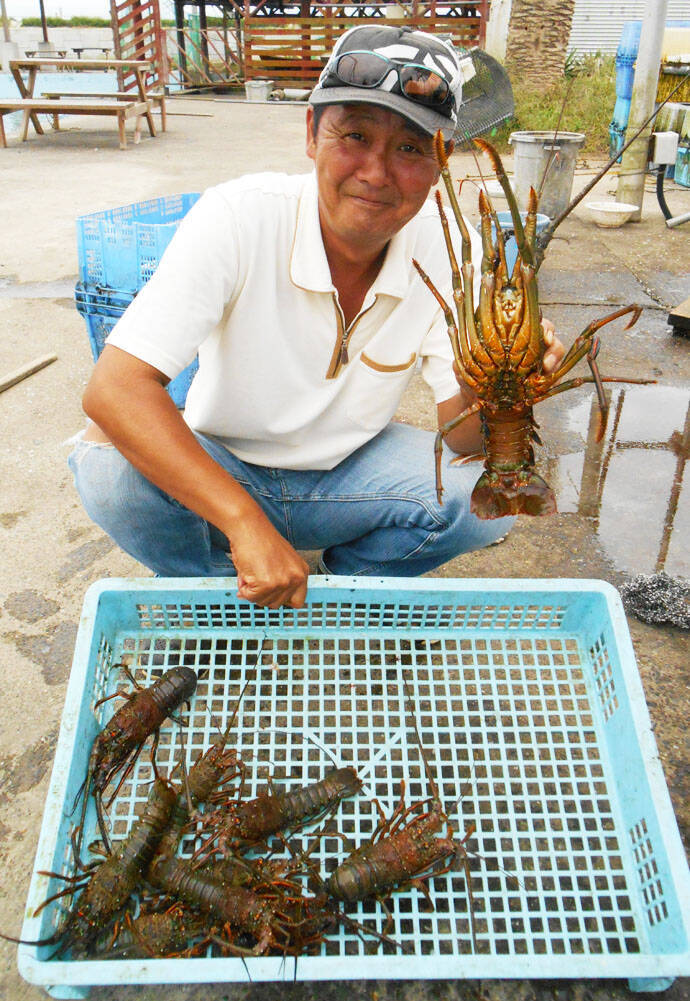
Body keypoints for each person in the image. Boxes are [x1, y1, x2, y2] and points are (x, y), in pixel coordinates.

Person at [69, 24, 563, 611]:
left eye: (410, 148)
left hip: (352, 471)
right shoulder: (239, 215)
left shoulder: (455, 249)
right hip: (228, 462)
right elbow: (113, 390)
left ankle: (344, 585)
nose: (376, 173)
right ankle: (214, 589)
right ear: (311, 133)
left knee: (483, 501)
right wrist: (244, 521)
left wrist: (501, 389)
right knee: (107, 465)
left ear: (441, 163)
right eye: (355, 135)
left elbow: (462, 440)